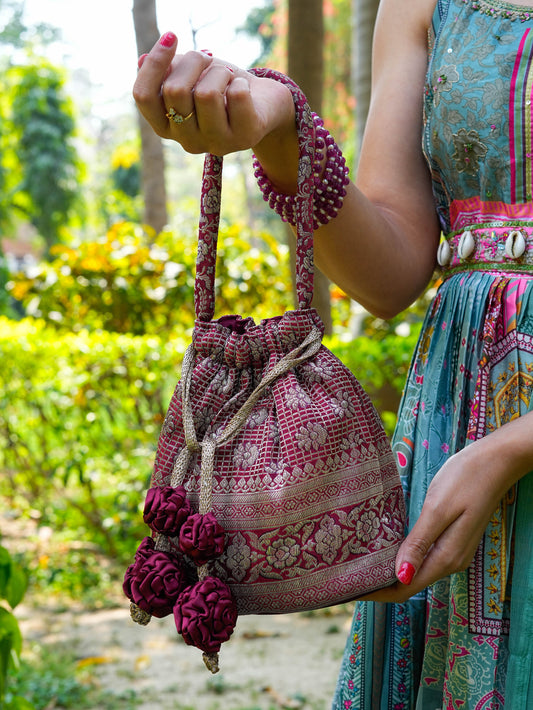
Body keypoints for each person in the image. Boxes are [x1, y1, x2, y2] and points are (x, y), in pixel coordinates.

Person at [133, 0, 533, 705]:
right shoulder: (423, 5)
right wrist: (283, 129)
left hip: (488, 453)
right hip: (457, 427)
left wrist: (512, 449)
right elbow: (390, 274)